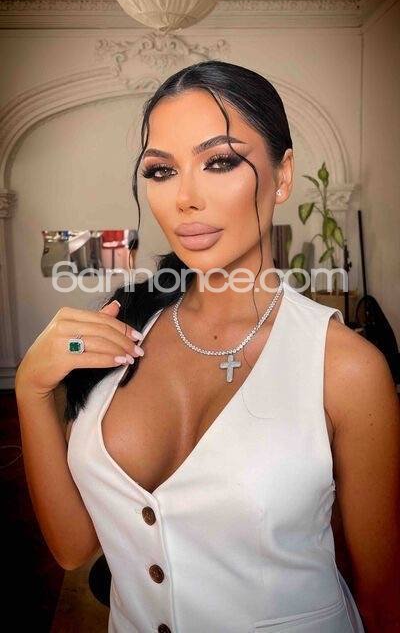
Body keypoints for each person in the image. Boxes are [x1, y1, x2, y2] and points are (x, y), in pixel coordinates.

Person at [16, 61, 400, 633]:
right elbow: (73, 549)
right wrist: (30, 389)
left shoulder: (345, 368)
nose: (185, 198)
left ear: (283, 175)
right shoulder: (122, 330)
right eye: (161, 170)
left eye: (220, 162)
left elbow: (384, 603)